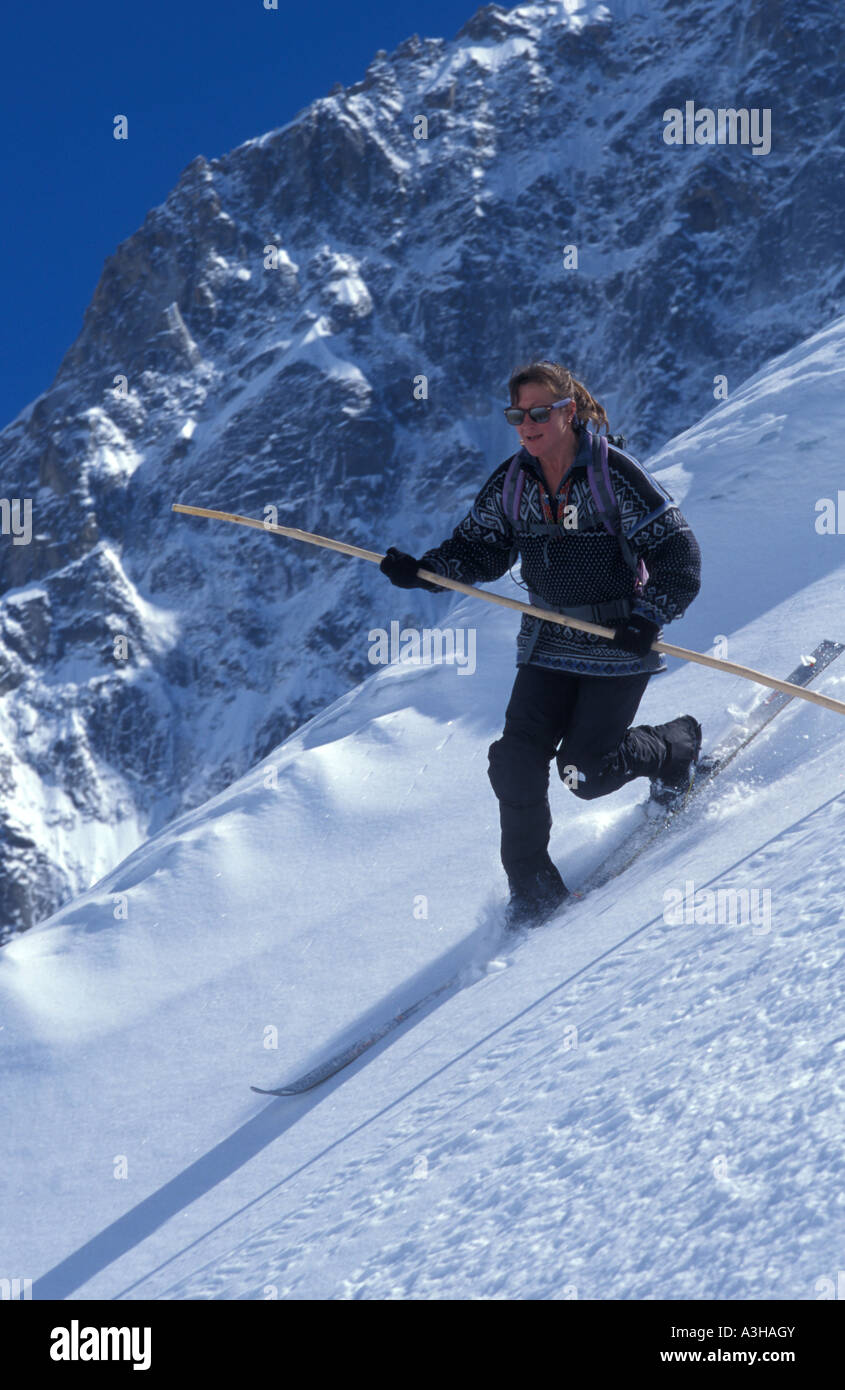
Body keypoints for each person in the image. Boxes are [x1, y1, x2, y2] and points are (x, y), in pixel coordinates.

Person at [380, 360, 702, 929]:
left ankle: (676, 746)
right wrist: (427, 571)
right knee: (514, 762)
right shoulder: (513, 482)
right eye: (516, 416)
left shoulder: (613, 474)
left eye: (538, 413)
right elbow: (479, 548)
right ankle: (531, 889)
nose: (526, 425)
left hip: (615, 643)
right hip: (548, 641)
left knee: (586, 772)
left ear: (568, 411)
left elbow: (679, 553)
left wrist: (649, 617)